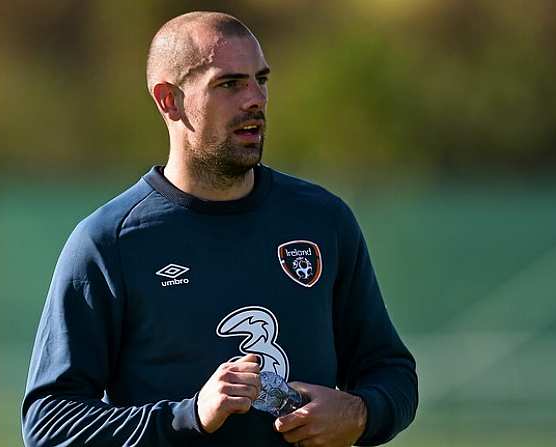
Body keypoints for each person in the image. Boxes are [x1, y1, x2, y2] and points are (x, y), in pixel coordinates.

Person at [22, 11, 418, 447]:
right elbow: (50, 425)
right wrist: (188, 416)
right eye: (229, 84)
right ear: (169, 100)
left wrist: (360, 414)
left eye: (261, 80)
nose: (255, 99)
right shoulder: (109, 242)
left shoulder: (322, 220)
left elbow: (391, 372)